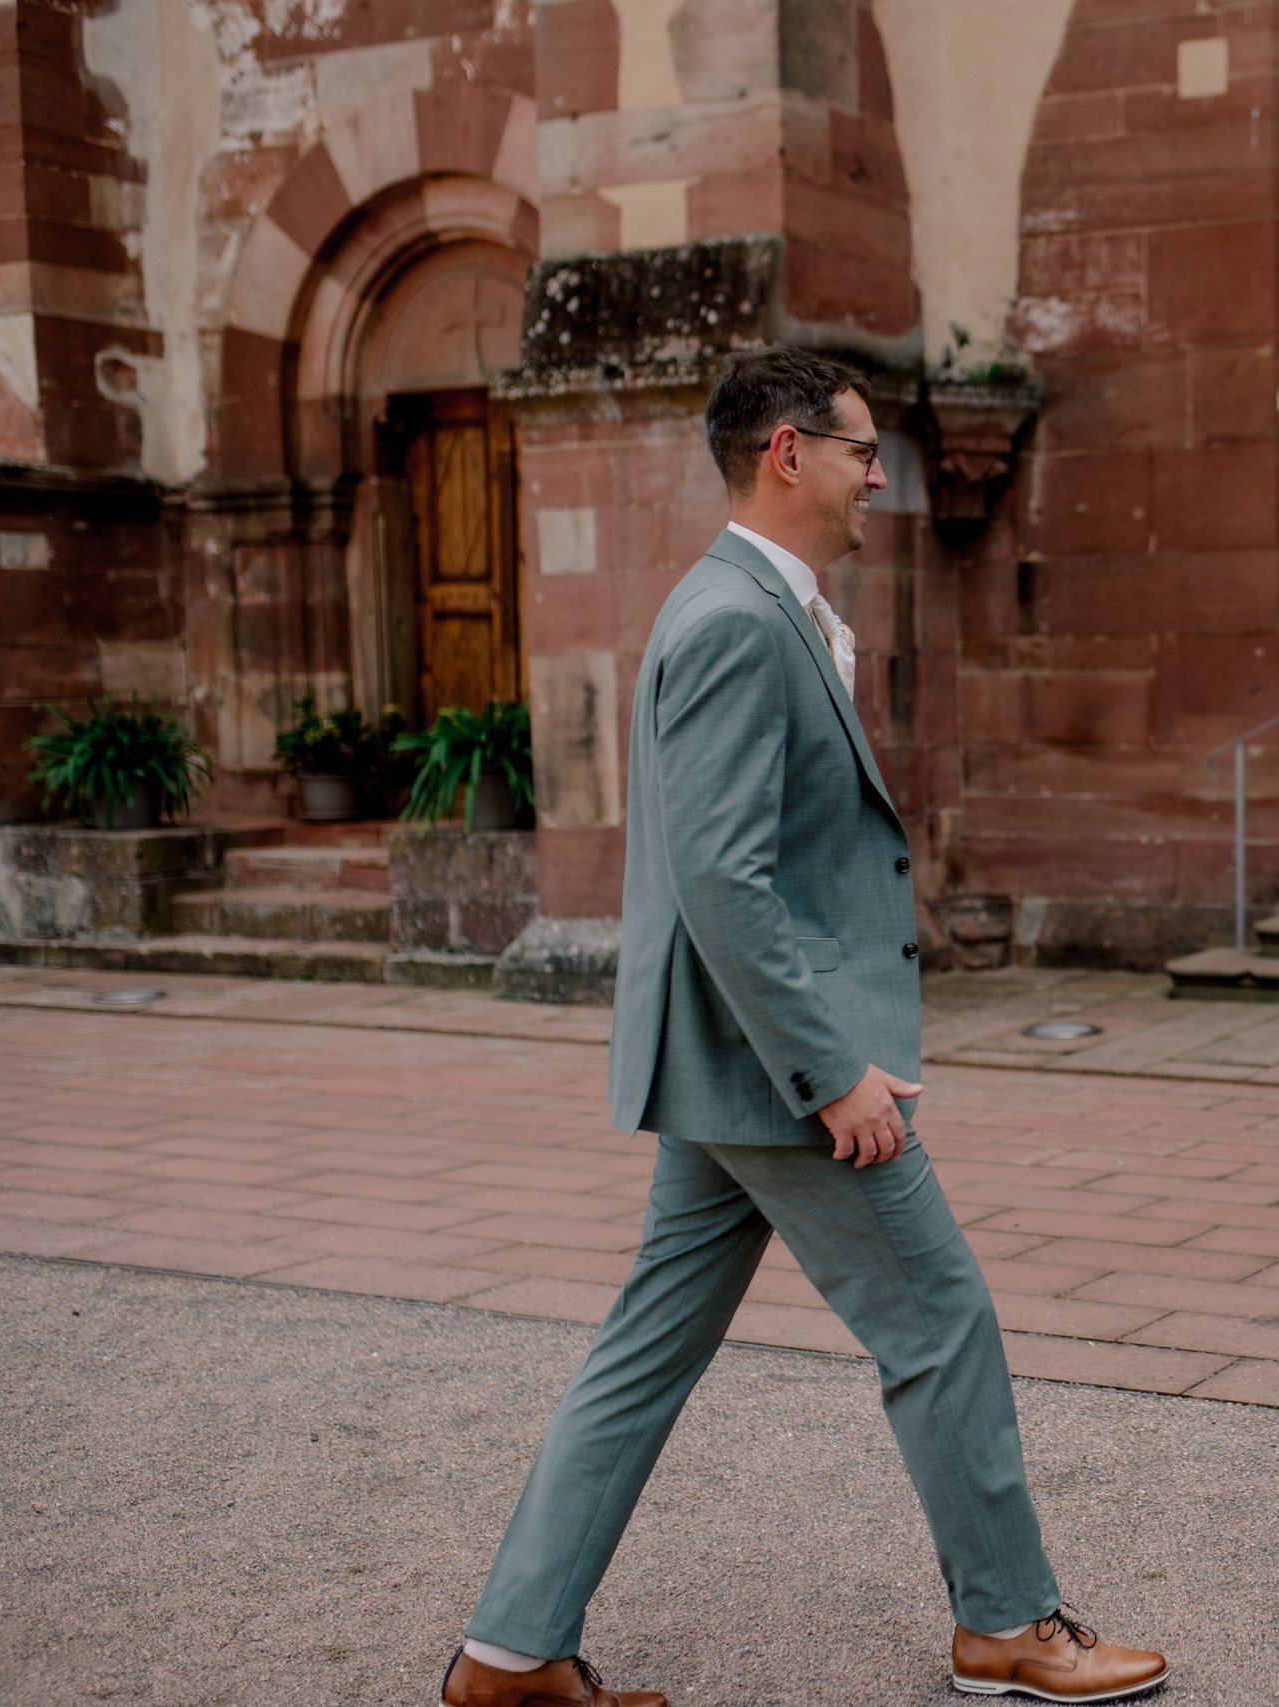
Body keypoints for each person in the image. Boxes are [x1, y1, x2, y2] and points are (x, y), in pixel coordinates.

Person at [437, 348, 1168, 1707]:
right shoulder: (735, 618)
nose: (879, 475)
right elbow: (724, 880)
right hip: (777, 1073)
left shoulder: (748, 602)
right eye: (861, 451)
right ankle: (1007, 1626)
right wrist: (831, 1073)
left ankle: (510, 1655)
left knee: (646, 1350)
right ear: (789, 453)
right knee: (941, 1321)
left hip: (725, 1069)